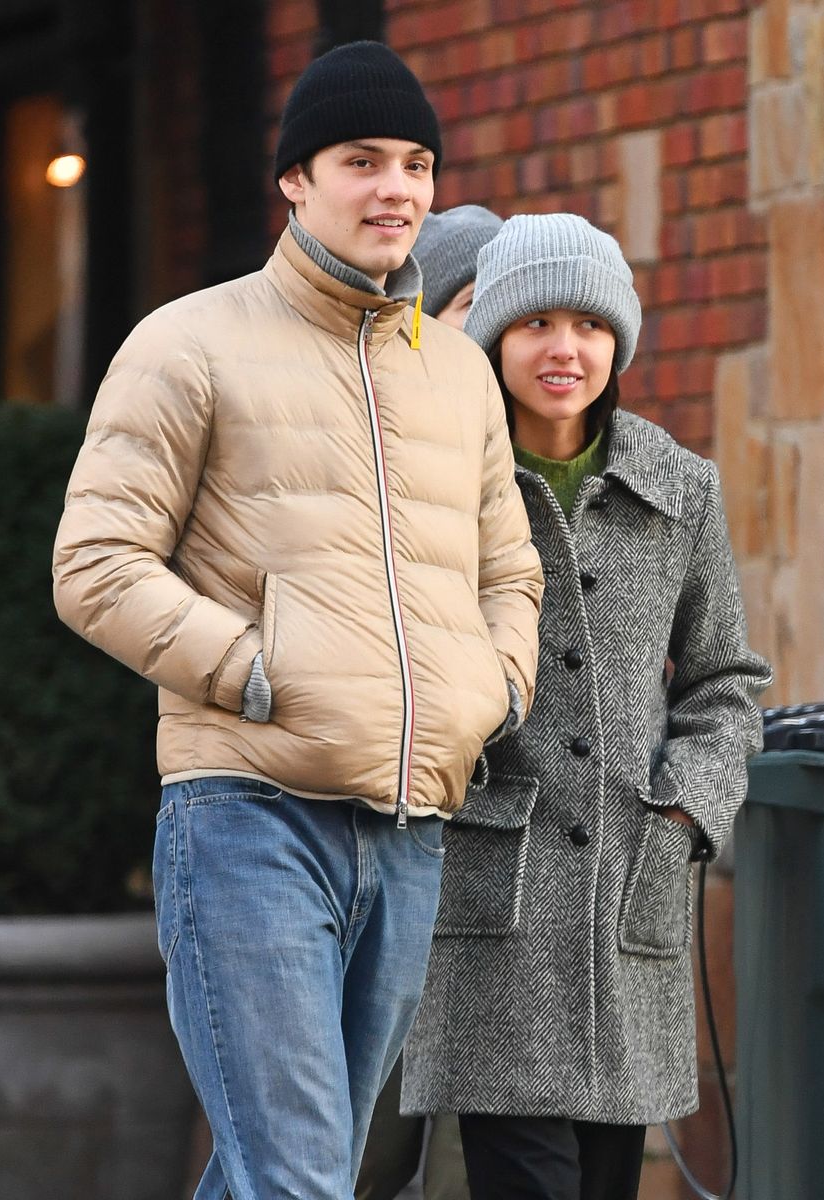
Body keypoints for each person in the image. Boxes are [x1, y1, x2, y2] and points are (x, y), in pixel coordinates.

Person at [52, 42, 543, 1200]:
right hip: (246, 817)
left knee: (281, 1173)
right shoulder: (190, 342)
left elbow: (508, 572)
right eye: (361, 160)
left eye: (416, 163)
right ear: (295, 181)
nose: (397, 189)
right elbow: (94, 563)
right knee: (303, 1177)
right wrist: (254, 670)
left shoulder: (458, 378)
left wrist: (496, 692)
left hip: (411, 826)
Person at [401, 213, 773, 1200]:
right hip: (493, 906)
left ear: (620, 342)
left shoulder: (679, 489)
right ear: (495, 339)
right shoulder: (438, 481)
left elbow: (725, 679)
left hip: (627, 902)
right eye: (537, 324)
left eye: (591, 326)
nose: (566, 349)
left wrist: (690, 807)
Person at [356, 201, 503, 1200]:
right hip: (385, 844)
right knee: (354, 1148)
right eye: (470, 306)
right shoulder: (370, 452)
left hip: (511, 877)